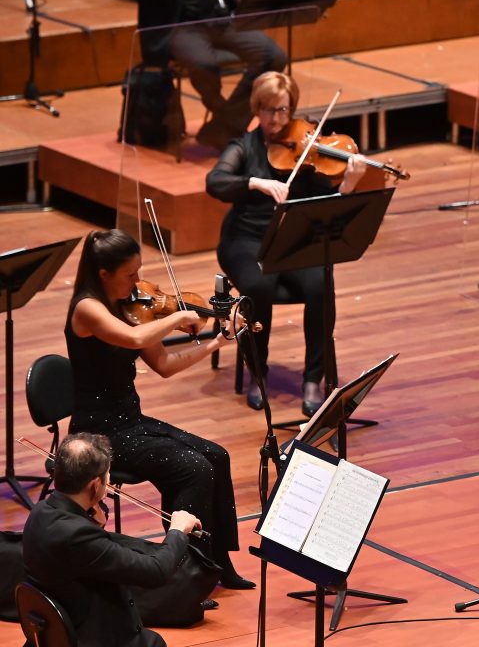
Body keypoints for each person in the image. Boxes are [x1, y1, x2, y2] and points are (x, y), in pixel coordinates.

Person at [65, 228, 252, 590]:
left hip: (130, 421)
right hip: (98, 433)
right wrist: (178, 317)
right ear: (104, 274)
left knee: (216, 455)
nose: (138, 281)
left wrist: (216, 341)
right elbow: (135, 339)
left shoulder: (130, 307)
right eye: (130, 274)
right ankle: (184, 574)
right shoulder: (87, 308)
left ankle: (216, 561)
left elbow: (164, 363)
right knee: (192, 469)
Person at [206, 71, 368, 414]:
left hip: (293, 240)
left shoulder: (306, 147)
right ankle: (257, 372)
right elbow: (216, 181)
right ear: (257, 109)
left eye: (283, 110)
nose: (277, 119)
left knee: (320, 283)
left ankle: (313, 378)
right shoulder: (244, 147)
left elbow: (329, 200)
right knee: (258, 286)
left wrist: (350, 183)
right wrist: (256, 183)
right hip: (246, 241)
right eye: (269, 111)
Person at [23, 433, 203, 647]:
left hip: (56, 630)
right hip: (92, 637)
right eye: (107, 477)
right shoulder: (77, 535)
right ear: (95, 484)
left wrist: (90, 521)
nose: (108, 484)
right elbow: (156, 571)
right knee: (154, 643)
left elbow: (77, 555)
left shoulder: (40, 512)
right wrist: (177, 531)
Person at [125, 0, 286, 149]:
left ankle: (223, 127)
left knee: (273, 55)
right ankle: (226, 122)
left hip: (222, 18)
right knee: (203, 63)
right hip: (179, 23)